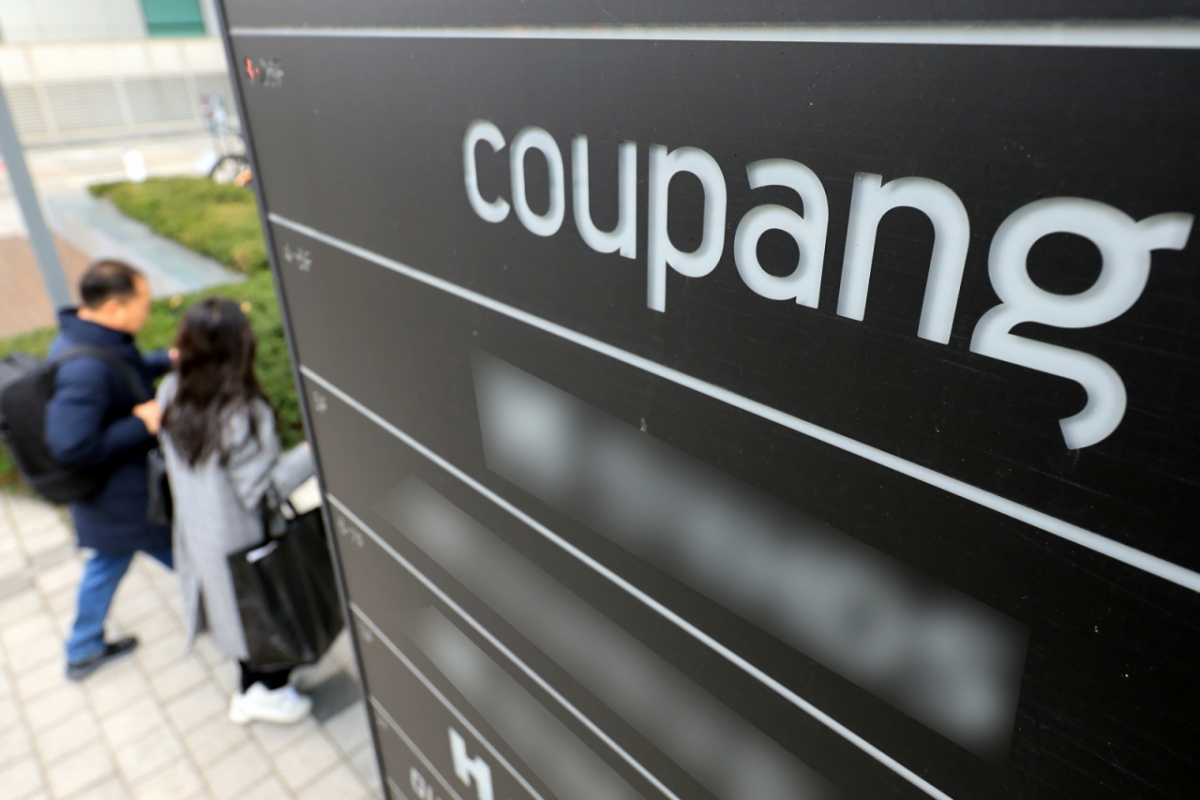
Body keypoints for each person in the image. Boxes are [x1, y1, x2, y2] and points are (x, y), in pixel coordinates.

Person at [158, 297, 315, 725]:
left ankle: (248, 691)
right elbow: (263, 491)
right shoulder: (244, 411)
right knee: (264, 615)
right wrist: (311, 453)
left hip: (200, 531)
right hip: (245, 540)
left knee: (236, 616)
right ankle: (267, 694)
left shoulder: (172, 391)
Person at [46, 260, 173, 680]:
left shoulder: (90, 337)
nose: (148, 311)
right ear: (115, 307)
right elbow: (72, 445)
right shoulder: (84, 369)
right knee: (186, 554)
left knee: (107, 564)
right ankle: (238, 611)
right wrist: (141, 423)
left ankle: (83, 648)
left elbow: (121, 372)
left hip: (112, 502)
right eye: (143, 303)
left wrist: (165, 361)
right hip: (123, 500)